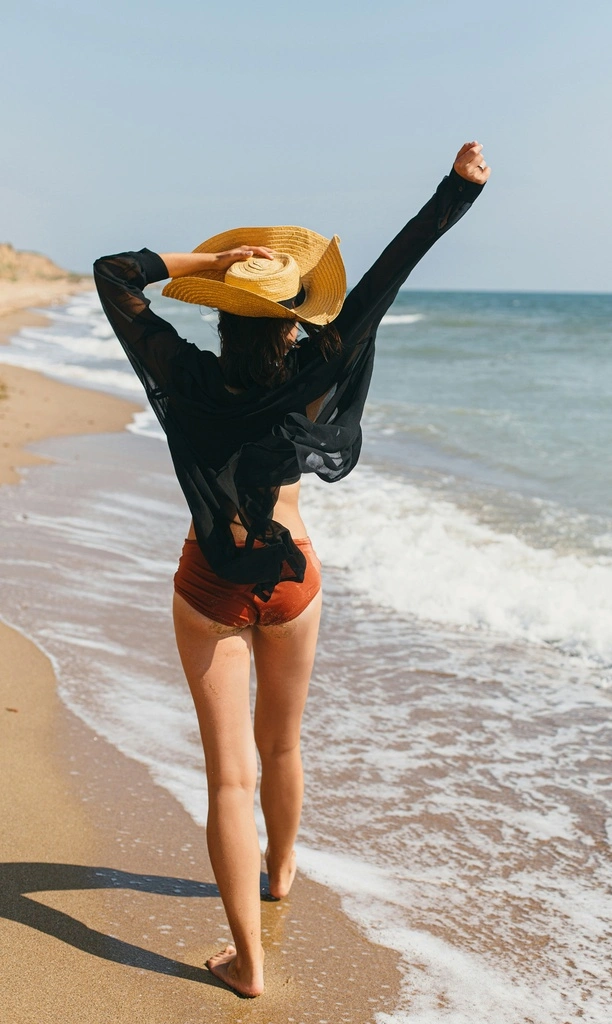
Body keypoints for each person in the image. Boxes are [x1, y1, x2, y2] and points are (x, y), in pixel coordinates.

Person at [94, 140, 490, 998]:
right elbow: (388, 274)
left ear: (223, 316)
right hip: (294, 581)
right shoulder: (316, 373)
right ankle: (281, 873)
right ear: (290, 321)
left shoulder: (182, 373)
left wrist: (214, 259)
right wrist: (454, 193)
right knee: (282, 746)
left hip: (209, 583)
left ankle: (247, 960)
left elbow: (114, 275)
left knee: (227, 775)